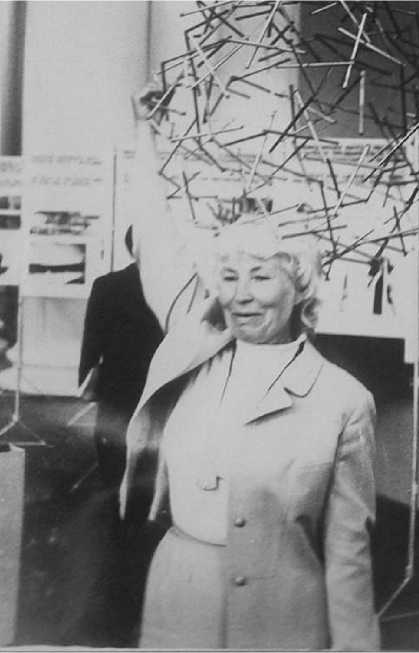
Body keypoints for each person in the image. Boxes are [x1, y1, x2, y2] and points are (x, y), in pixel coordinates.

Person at [119, 87, 380, 651]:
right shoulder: (194, 343)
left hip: (283, 617)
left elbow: (348, 551)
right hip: (178, 601)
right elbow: (155, 237)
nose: (241, 295)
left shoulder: (343, 400)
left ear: (299, 287)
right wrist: (145, 133)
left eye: (261, 277)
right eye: (230, 277)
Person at [79, 226, 164, 488]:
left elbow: (92, 337)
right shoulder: (172, 288)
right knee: (155, 440)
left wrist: (86, 378)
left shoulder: (107, 284)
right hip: (159, 376)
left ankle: (114, 490)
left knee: (113, 441)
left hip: (117, 378)